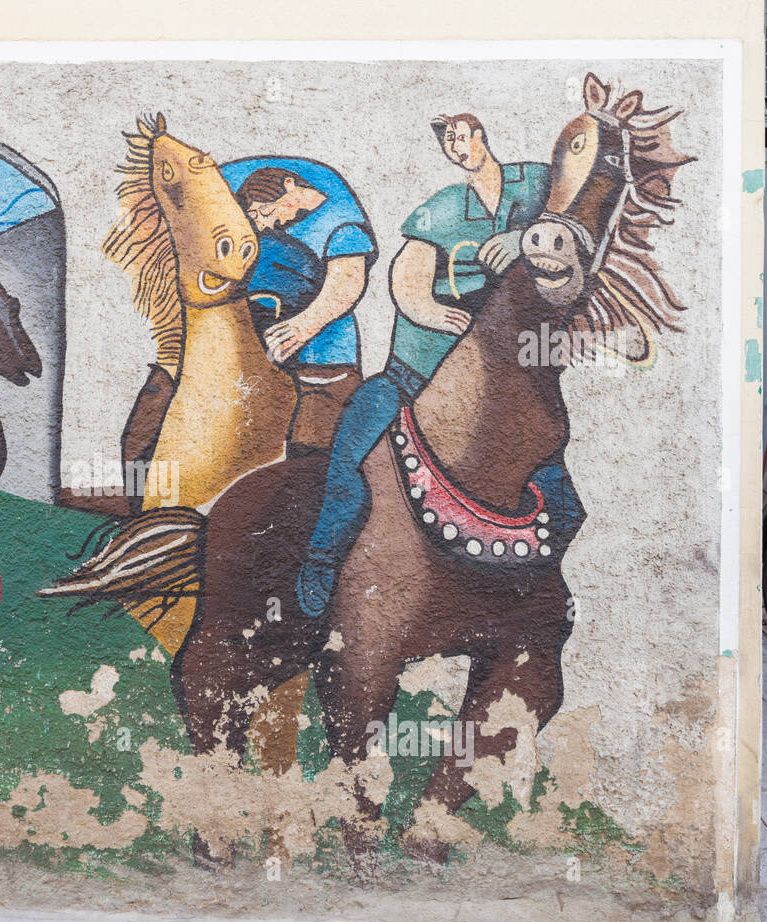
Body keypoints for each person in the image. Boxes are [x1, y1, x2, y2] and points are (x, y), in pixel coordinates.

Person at [296, 114, 553, 617]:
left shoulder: (537, 183)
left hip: (504, 387)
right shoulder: (443, 209)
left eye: (462, 136)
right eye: (449, 142)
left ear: (482, 133)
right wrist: (430, 312)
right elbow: (407, 274)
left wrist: (526, 239)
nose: (458, 148)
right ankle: (321, 561)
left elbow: (583, 211)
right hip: (413, 375)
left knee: (556, 484)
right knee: (350, 455)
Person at [228, 160, 377, 453]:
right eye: (254, 218)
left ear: (289, 186)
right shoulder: (228, 182)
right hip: (241, 351)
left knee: (313, 446)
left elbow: (347, 281)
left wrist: (302, 326)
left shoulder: (339, 217)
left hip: (322, 356)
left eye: (266, 212)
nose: (264, 224)